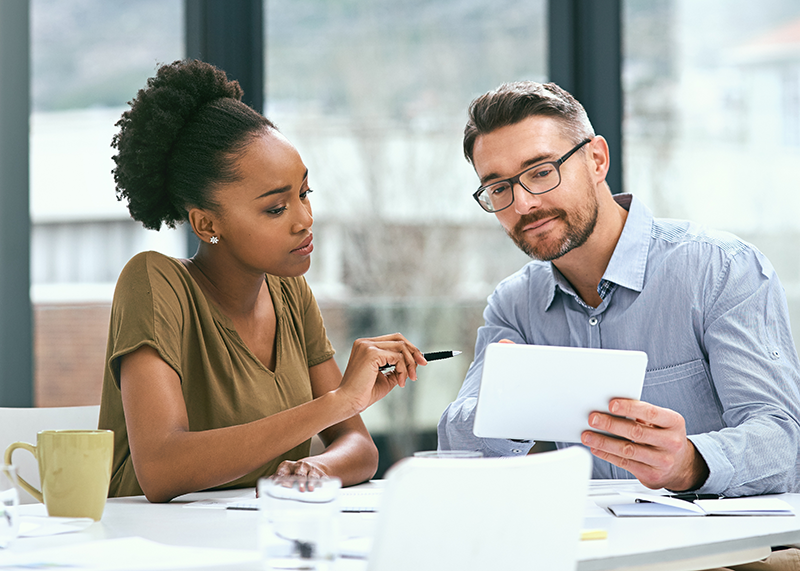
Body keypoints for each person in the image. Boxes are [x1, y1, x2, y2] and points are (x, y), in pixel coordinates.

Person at [438, 81, 800, 498]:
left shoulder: (719, 269)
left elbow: (783, 441)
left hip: (716, 552)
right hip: (592, 550)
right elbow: (459, 452)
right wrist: (507, 407)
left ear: (596, 160)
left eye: (540, 172)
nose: (522, 204)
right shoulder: (514, 305)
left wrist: (688, 462)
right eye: (499, 187)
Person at [98, 59, 426, 503]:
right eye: (276, 208)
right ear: (206, 222)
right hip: (148, 545)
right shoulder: (154, 283)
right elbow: (161, 468)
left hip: (255, 535)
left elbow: (360, 450)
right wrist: (338, 401)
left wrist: (311, 468)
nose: (305, 220)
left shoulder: (289, 293)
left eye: (304, 194)